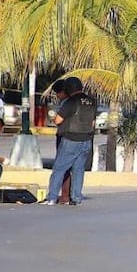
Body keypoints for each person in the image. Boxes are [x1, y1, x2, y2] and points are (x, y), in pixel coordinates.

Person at [42, 77, 96, 205]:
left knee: (59, 169)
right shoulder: (91, 101)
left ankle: (52, 198)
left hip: (71, 139)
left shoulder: (71, 101)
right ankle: (76, 198)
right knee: (78, 170)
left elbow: (58, 120)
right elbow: (93, 122)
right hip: (86, 139)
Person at [51, 79, 72, 204]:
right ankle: (68, 195)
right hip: (72, 136)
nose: (57, 96)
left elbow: (58, 120)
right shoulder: (71, 101)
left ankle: (61, 196)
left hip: (64, 135)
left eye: (58, 93)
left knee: (61, 166)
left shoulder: (67, 103)